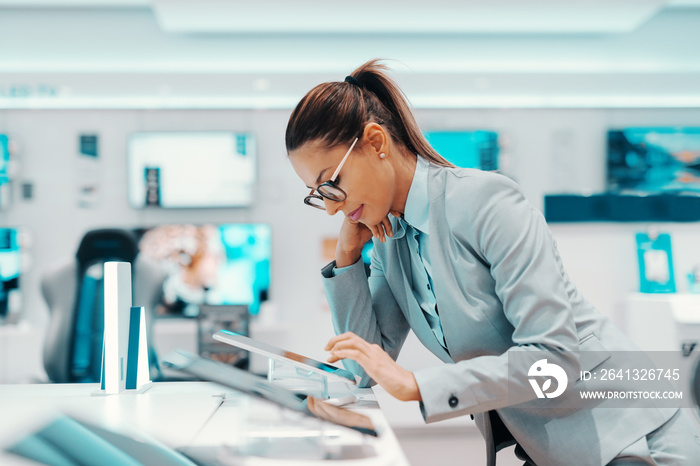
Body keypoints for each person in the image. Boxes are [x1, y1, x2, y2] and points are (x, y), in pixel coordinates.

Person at [285, 59, 700, 466]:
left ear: (376, 142)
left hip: (632, 434)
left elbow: (554, 360)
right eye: (317, 193)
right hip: (557, 443)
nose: (328, 208)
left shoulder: (486, 201)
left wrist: (417, 385)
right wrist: (347, 258)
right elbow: (364, 366)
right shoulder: (391, 240)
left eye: (332, 184)